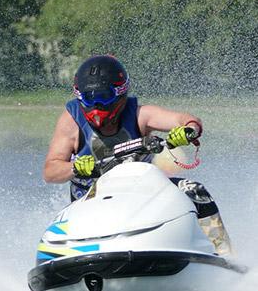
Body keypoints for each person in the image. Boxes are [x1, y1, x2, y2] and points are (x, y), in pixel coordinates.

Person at [44, 55, 231, 255]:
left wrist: (188, 130)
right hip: (90, 199)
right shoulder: (71, 121)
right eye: (90, 98)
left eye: (103, 96)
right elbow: (50, 170)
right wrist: (75, 167)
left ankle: (224, 254)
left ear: (119, 94)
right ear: (79, 96)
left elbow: (185, 119)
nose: (97, 106)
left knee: (196, 190)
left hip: (141, 194)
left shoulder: (140, 115)